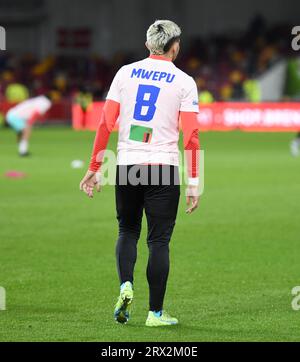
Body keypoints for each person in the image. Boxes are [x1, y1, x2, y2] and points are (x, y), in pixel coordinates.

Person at [80, 20, 201, 327]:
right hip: (162, 167)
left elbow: (105, 124)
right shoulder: (184, 81)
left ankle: (125, 286)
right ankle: (155, 314)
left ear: (148, 45)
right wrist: (195, 181)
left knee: (127, 231)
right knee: (158, 241)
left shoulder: (124, 73)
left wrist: (95, 168)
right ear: (175, 47)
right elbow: (191, 137)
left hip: (128, 166)